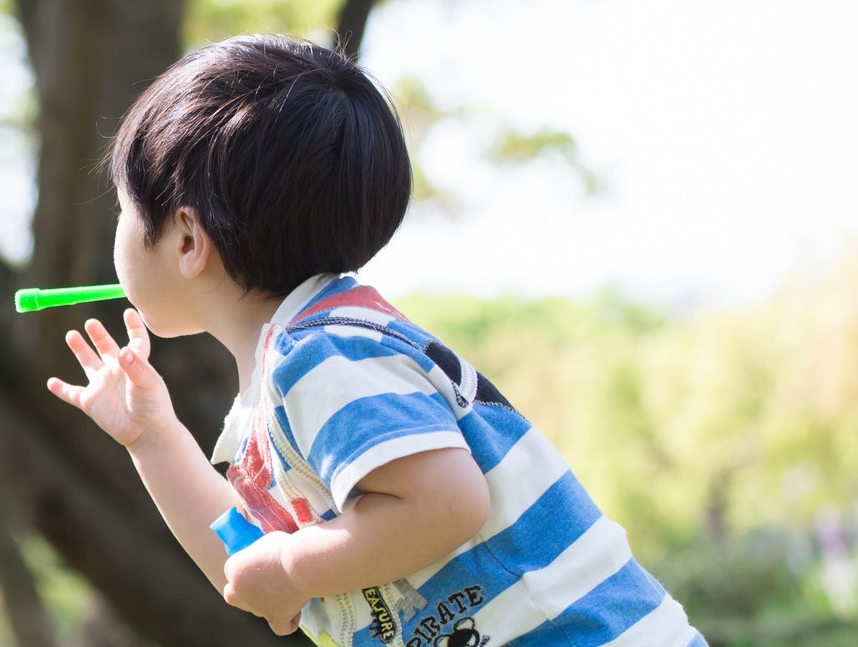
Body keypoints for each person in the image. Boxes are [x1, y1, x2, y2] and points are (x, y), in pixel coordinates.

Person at [45, 34, 704, 646]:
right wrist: (153, 439)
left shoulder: (324, 355)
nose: (118, 224)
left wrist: (293, 569)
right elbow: (249, 574)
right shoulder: (293, 374)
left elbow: (445, 502)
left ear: (188, 239)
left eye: (124, 206)